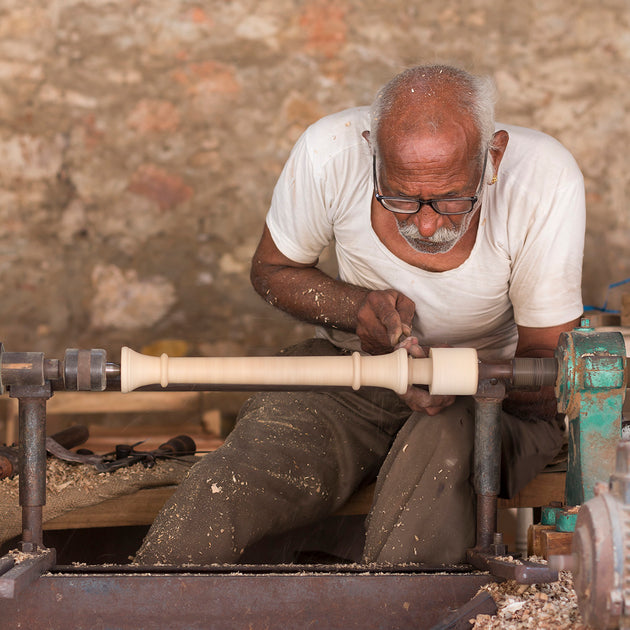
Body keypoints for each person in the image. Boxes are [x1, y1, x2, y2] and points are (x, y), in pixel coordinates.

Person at [135, 64, 585, 566]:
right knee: (244, 472)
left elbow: (549, 368)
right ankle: (137, 601)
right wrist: (355, 309)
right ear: (371, 150)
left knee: (442, 446)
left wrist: (456, 379)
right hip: (358, 376)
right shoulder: (330, 151)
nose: (429, 223)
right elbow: (273, 269)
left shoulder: (543, 179)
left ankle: (393, 609)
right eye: (401, 197)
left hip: (496, 399)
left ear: (494, 156)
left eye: (454, 198)